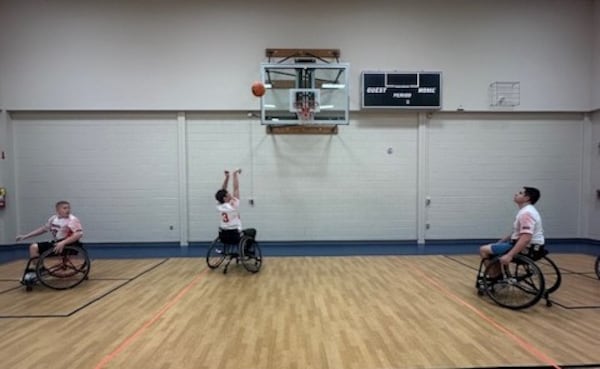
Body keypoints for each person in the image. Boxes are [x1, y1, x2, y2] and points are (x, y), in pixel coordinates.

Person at [479, 187, 544, 277]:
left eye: (520, 193)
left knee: (483, 250)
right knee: (494, 247)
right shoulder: (528, 210)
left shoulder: (526, 213)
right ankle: (499, 275)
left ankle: (495, 277)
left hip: (528, 249)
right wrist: (502, 241)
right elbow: (518, 232)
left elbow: (526, 238)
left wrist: (509, 255)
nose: (516, 194)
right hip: (534, 246)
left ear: (527, 198)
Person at [16, 201, 84, 280]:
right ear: (58, 210)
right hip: (57, 242)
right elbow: (43, 229)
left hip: (69, 244)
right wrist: (25, 236)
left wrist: (63, 243)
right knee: (33, 247)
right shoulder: (53, 219)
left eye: (68, 208)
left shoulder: (72, 220)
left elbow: (79, 234)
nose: (68, 210)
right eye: (65, 208)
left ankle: (40, 271)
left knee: (34, 247)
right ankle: (40, 269)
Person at [214, 169, 256, 247]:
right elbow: (236, 188)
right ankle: (247, 250)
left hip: (223, 235)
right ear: (225, 198)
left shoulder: (219, 206)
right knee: (252, 231)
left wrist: (227, 177)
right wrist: (234, 175)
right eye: (228, 194)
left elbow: (223, 189)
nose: (230, 193)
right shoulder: (233, 206)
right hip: (235, 235)